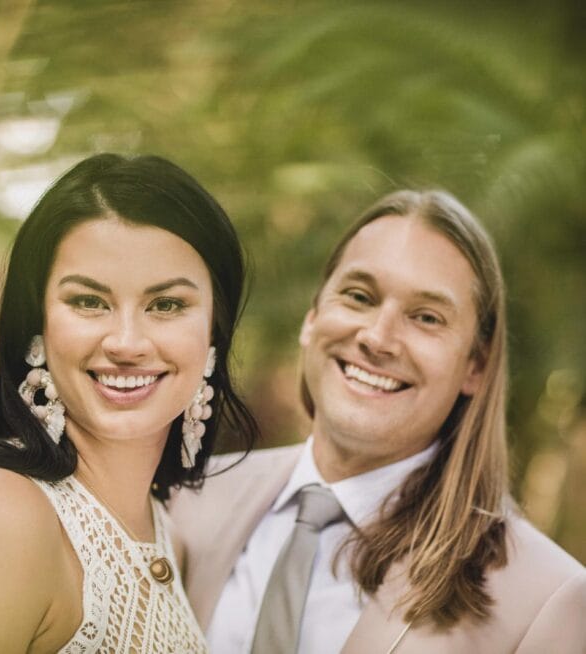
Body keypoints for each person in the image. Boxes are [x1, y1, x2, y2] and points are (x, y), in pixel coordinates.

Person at [0, 153, 259, 653]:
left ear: (213, 336)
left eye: (166, 305)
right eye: (89, 301)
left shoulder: (171, 542)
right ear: (37, 326)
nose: (126, 343)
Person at [171, 190, 586, 653]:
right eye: (359, 296)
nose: (377, 337)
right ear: (313, 317)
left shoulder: (547, 598)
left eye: (426, 317)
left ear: (476, 366)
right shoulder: (189, 499)